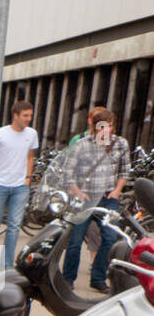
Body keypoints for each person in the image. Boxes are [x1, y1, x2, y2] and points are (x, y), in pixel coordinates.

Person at [62, 106, 131, 293]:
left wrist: (117, 191)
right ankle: (68, 279)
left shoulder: (121, 144)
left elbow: (125, 171)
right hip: (85, 198)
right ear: (94, 127)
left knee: (109, 238)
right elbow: (68, 172)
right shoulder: (82, 144)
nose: (106, 130)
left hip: (108, 198)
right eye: (102, 126)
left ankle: (98, 278)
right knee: (75, 240)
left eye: (109, 126)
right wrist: (77, 191)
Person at [0, 98, 38, 274]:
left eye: (30, 115)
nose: (28, 119)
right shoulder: (0, 133)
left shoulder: (32, 134)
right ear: (15, 115)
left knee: (14, 226)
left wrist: (27, 179)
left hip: (20, 186)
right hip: (0, 185)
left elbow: (30, 157)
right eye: (25, 115)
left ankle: (7, 265)